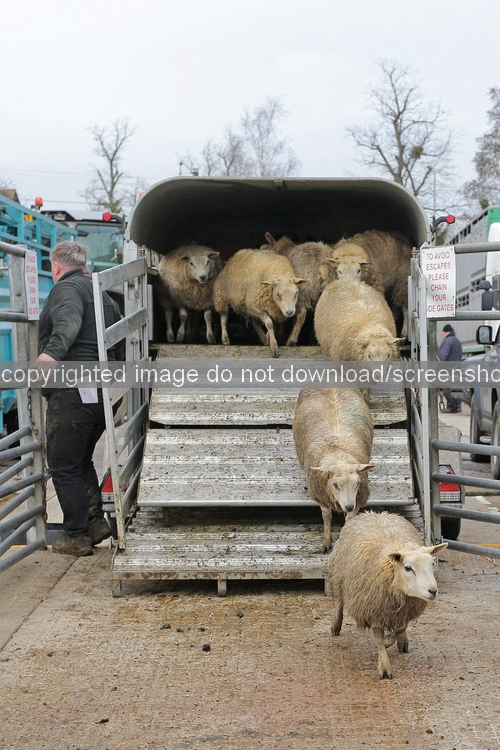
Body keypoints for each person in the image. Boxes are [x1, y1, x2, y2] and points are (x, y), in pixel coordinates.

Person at [36, 241, 123, 556]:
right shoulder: (103, 296)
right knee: (80, 460)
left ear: (56, 266)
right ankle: (94, 522)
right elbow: (119, 343)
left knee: (63, 466)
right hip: (103, 393)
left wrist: (50, 355)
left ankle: (75, 536)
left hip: (73, 390)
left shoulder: (66, 290)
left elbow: (68, 322)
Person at [437, 324, 463, 413]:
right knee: (456, 387)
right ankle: (458, 406)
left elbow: (443, 356)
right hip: (457, 367)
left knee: (447, 387)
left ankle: (451, 406)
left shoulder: (447, 341)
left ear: (445, 332)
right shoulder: (457, 341)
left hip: (448, 368)